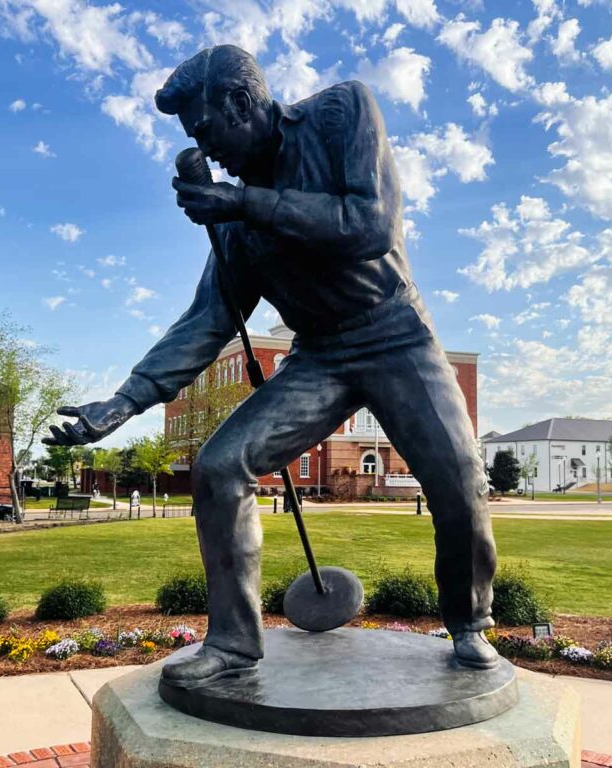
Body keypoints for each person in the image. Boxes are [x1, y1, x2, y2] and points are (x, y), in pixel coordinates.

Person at [45, 45, 498, 687]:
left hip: (395, 332)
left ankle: (469, 625)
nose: (206, 148)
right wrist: (122, 403)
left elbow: (370, 224)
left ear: (240, 103)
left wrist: (244, 203)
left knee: (459, 479)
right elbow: (207, 321)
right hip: (318, 356)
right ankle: (232, 643)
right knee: (220, 465)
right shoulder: (229, 219)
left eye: (205, 129)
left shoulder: (343, 112)